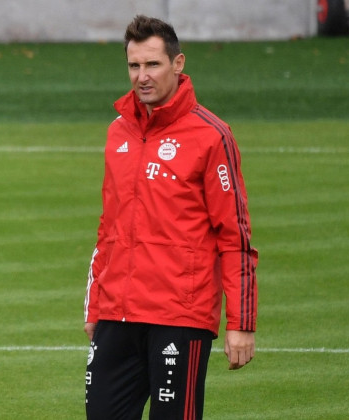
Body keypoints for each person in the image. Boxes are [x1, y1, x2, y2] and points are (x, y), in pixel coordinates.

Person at [83, 15, 258, 420]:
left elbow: (235, 236)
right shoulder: (118, 132)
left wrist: (241, 322)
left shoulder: (212, 135)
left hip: (179, 316)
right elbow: (108, 228)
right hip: (118, 314)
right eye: (134, 66)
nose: (142, 76)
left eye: (153, 64)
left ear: (178, 64)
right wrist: (96, 306)